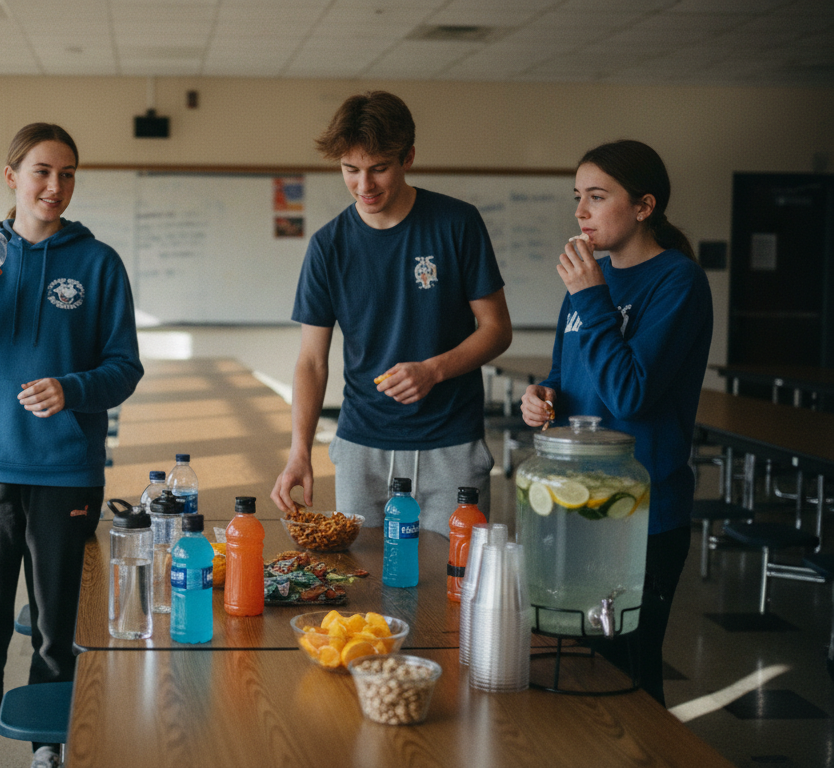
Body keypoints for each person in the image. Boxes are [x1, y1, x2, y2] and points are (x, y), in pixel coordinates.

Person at [0, 123, 143, 768]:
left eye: (67, 174)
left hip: (66, 473)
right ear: (12, 177)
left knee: (55, 630)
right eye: (42, 171)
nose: (56, 186)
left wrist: (71, 389)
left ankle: (48, 748)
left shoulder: (98, 264)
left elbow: (125, 368)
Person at [519, 139, 712, 705]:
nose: (581, 212)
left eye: (597, 197)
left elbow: (631, 394)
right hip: (576, 503)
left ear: (644, 205)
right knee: (577, 659)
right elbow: (564, 376)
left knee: (625, 668)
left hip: (642, 512)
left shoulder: (677, 281)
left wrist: (592, 296)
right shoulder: (587, 284)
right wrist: (542, 398)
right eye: (578, 197)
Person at [271, 91, 513, 534]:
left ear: (408, 158)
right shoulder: (329, 246)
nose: (365, 186)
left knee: (453, 588)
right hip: (362, 448)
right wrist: (298, 451)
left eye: (379, 168)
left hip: (452, 444)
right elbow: (311, 360)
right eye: (351, 170)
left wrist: (434, 370)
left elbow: (497, 329)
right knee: (363, 588)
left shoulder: (457, 224)